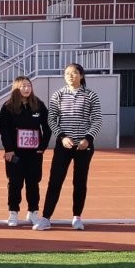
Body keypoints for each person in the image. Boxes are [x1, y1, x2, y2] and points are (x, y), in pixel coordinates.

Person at [33, 63, 102, 231]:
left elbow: (97, 119)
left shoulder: (91, 95)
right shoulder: (58, 94)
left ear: (81, 75)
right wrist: (62, 137)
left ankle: (77, 217)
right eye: (67, 73)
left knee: (80, 181)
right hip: (63, 145)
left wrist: (88, 139)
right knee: (55, 181)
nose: (70, 76)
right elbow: (51, 119)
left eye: (74, 73)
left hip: (83, 146)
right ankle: (46, 218)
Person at [0, 77, 51, 227]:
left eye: (29, 86)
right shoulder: (8, 107)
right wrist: (9, 149)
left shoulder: (38, 105)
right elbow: (4, 130)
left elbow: (47, 127)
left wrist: (42, 146)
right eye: (23, 86)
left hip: (34, 153)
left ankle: (33, 211)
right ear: (16, 88)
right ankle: (13, 212)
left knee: (33, 182)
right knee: (15, 183)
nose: (26, 89)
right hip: (15, 153)